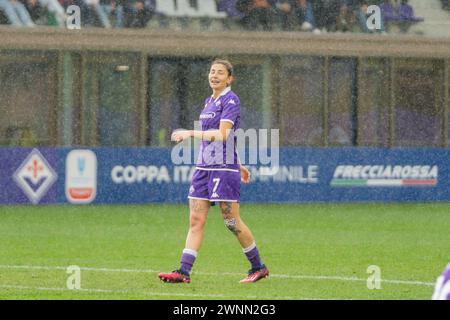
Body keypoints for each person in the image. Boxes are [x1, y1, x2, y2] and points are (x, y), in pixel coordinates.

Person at [158, 59, 269, 284]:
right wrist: (240, 164)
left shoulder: (231, 100)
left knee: (231, 221)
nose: (214, 75)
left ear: (230, 78)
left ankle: (258, 267)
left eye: (220, 73)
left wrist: (190, 133)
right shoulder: (209, 101)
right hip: (204, 168)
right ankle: (183, 271)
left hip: (222, 170)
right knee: (196, 220)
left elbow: (222, 135)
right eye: (212, 71)